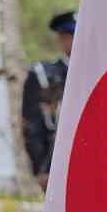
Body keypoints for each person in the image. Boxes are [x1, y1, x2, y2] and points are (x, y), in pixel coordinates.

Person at [24, 11, 76, 189]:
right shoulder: (44, 76)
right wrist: (41, 168)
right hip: (57, 163)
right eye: (72, 36)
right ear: (62, 38)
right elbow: (33, 125)